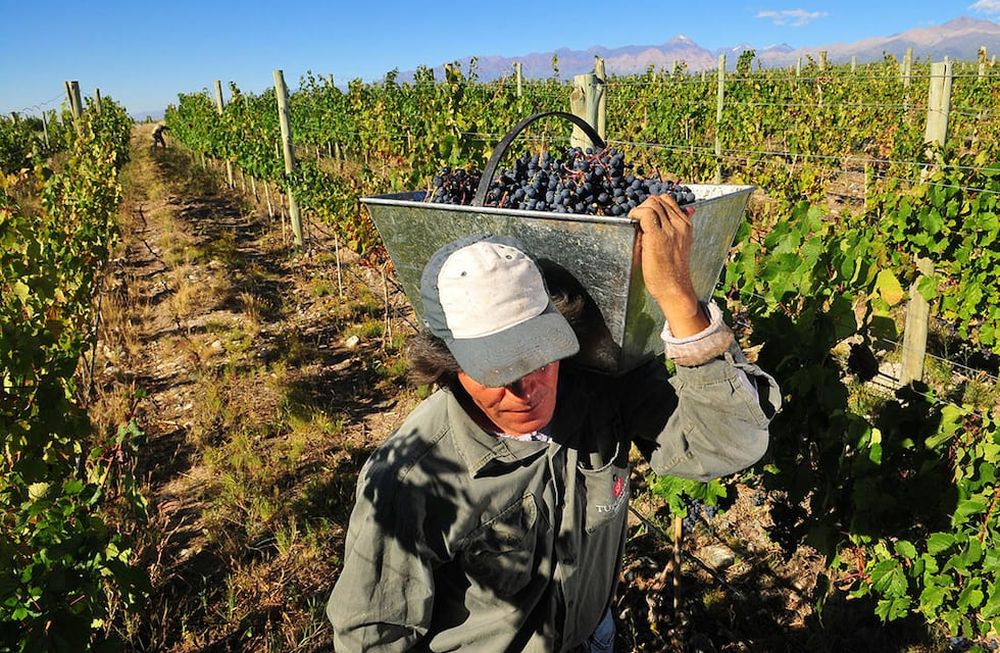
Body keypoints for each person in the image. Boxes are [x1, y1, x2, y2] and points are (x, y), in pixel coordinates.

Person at [327, 194, 781, 652]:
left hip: (596, 637)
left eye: (540, 358)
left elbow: (732, 442)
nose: (527, 390)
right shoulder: (408, 481)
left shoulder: (600, 394)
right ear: (448, 365)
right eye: (499, 371)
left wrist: (681, 300)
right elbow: (372, 638)